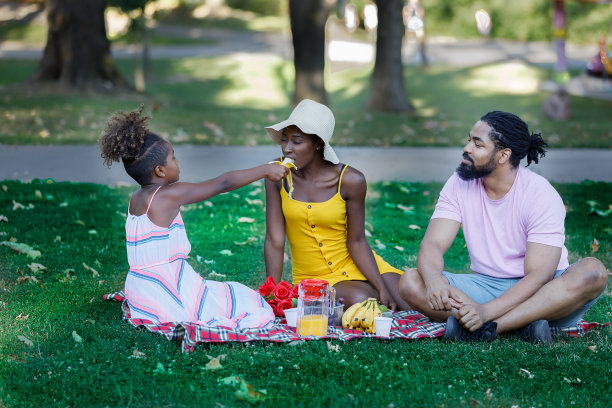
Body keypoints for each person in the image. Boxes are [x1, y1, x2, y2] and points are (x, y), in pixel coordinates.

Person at [398, 111, 608, 344]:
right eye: (469, 140)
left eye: (477, 144)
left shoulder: (540, 194)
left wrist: (486, 312)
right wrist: (434, 280)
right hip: (487, 286)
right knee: (412, 281)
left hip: (545, 294)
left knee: (593, 271)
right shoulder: (459, 183)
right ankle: (523, 326)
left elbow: (539, 275)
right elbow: (433, 243)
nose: (467, 148)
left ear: (503, 155)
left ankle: (492, 328)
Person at [99, 106, 289, 329]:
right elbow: (223, 184)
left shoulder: (136, 198)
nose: (177, 162)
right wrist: (266, 169)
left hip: (141, 290)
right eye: (173, 158)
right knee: (244, 301)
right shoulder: (168, 195)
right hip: (168, 289)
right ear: (160, 171)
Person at [263, 99, 410, 311]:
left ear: (317, 143)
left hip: (357, 263)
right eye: (284, 140)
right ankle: (365, 293)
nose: (287, 149)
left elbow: (357, 241)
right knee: (362, 300)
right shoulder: (276, 175)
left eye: (296, 141)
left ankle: (469, 320)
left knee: (411, 298)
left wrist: (381, 286)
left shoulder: (351, 180)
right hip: (315, 278)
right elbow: (274, 240)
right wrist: (274, 296)